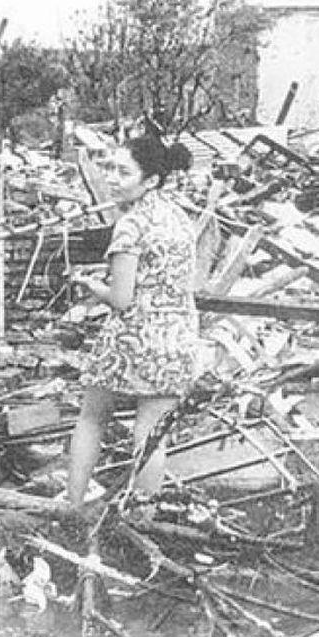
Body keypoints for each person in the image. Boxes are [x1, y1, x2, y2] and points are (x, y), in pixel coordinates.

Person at [67, 133, 199, 505]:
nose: (111, 178)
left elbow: (122, 300)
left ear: (151, 180)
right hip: (177, 337)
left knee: (92, 417)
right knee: (151, 436)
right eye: (110, 168)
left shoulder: (131, 225)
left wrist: (92, 284)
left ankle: (73, 506)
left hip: (134, 337)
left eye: (123, 172)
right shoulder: (179, 218)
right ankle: (143, 521)